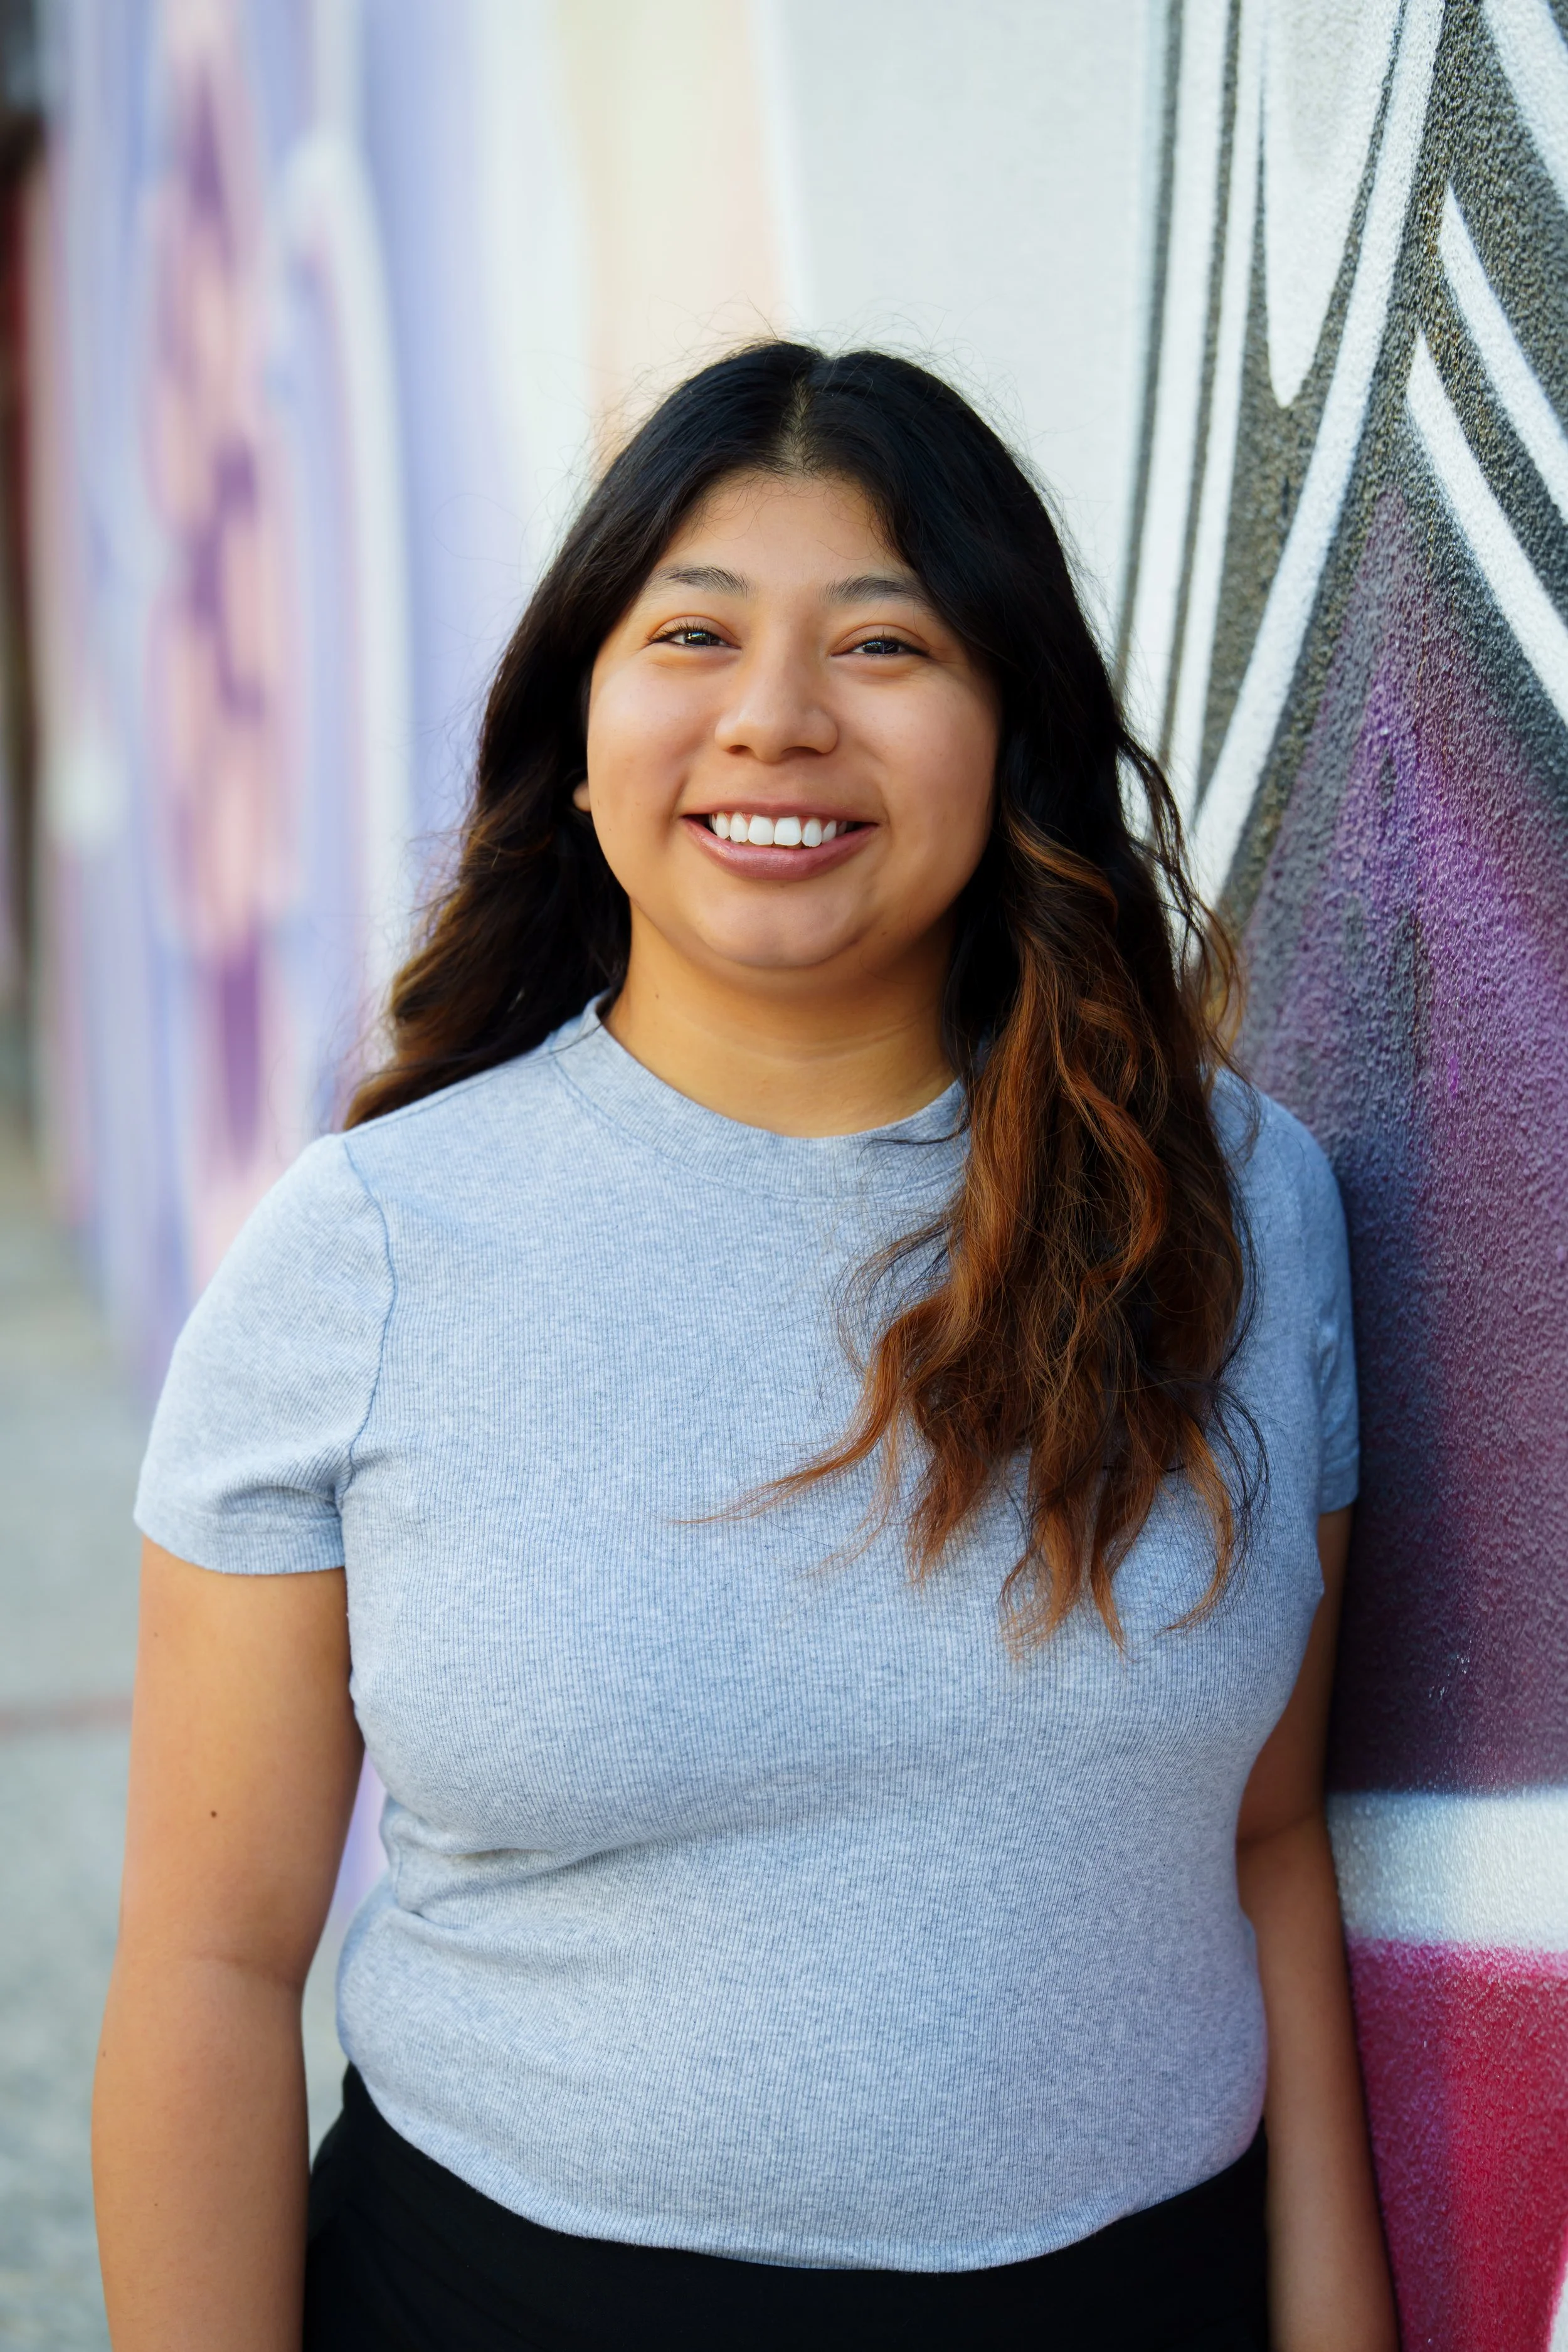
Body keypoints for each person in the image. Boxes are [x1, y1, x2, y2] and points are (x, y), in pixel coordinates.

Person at [93, 344, 1398, 2351]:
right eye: (691, 631)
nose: (774, 718)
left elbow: (1264, 1841)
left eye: (884, 644)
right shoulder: (362, 1256)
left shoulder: (1227, 1204)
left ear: (1008, 730)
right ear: (586, 723)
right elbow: (211, 1953)